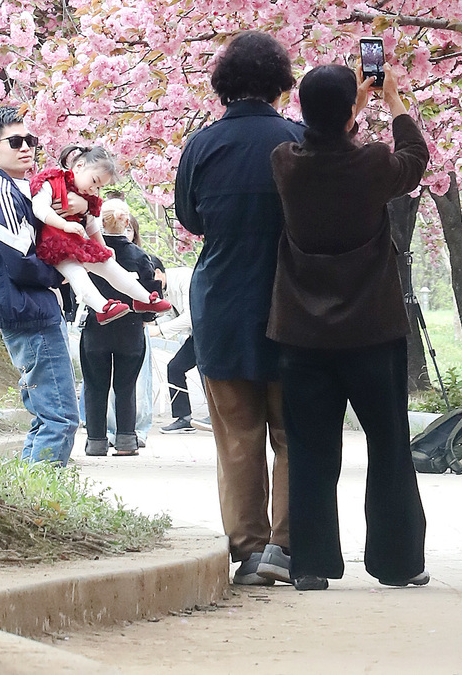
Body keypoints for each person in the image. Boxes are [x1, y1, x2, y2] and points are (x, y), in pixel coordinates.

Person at [267, 61, 429, 593]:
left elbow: (321, 138)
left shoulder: (285, 161)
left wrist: (346, 110)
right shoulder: (374, 164)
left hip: (302, 333)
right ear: (349, 113)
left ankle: (311, 563)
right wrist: (393, 101)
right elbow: (416, 157)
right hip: (371, 331)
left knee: (312, 448)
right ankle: (398, 562)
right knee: (388, 444)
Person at [174, 31, 302, 586]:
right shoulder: (298, 142)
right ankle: (288, 546)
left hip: (222, 303)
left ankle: (248, 551)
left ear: (224, 83)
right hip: (290, 306)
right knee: (294, 434)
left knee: (237, 435)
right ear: (280, 82)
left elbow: (192, 220)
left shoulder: (201, 146)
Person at [0, 107, 80, 466]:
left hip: (30, 310)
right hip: (28, 312)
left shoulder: (13, 189)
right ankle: (45, 510)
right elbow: (19, 262)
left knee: (48, 416)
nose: (25, 148)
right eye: (14, 142)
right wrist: (59, 276)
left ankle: (29, 496)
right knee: (60, 417)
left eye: (30, 141)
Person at [30, 147, 172, 321]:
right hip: (53, 245)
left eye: (99, 187)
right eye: (94, 181)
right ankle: (102, 307)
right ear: (80, 165)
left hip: (77, 242)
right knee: (77, 274)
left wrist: (103, 248)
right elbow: (39, 208)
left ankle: (144, 298)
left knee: (108, 264)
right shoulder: (52, 181)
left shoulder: (88, 198)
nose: (93, 189)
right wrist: (64, 225)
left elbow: (92, 225)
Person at [81, 199, 166, 459]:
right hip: (130, 329)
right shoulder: (141, 257)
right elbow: (152, 295)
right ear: (127, 223)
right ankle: (126, 439)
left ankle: (96, 440)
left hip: (96, 326)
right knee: (126, 386)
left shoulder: (89, 251)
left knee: (95, 386)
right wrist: (147, 316)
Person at [164, 333, 199, 432]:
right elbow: (171, 316)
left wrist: (161, 330)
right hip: (197, 335)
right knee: (175, 368)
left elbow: (188, 318)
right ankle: (185, 418)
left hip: (212, 333)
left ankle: (217, 416)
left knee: (208, 372)